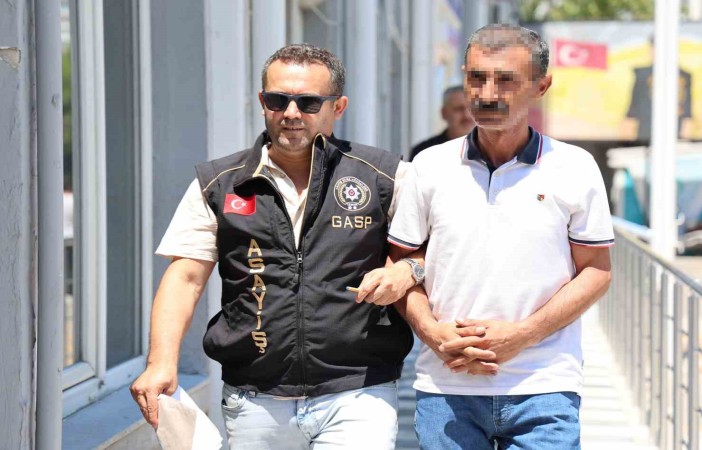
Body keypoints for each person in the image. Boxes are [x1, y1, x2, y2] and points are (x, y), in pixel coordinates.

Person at [130, 44, 421, 450]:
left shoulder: (385, 176)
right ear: (262, 101)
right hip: (254, 398)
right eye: (278, 100)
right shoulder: (220, 183)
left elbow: (432, 247)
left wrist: (408, 270)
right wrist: (160, 362)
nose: (291, 113)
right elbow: (185, 277)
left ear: (338, 107)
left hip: (358, 392)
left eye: (308, 102)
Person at [386, 25, 614, 449]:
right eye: (477, 78)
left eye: (506, 80)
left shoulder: (575, 167)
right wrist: (432, 334)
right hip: (446, 388)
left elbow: (597, 272)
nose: (488, 93)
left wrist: (522, 335)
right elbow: (400, 265)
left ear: (541, 86)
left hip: (545, 386)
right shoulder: (429, 165)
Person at [620, 36, 693, 141]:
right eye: (653, 48)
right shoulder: (642, 75)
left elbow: (687, 116)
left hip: (673, 136)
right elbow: (632, 113)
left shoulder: (684, 76)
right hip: (646, 134)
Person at [409, 85, 474, 161]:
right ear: (444, 113)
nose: (467, 116)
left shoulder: (486, 151)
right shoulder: (424, 152)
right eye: (458, 109)